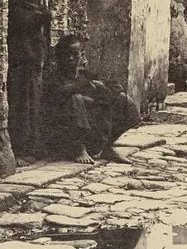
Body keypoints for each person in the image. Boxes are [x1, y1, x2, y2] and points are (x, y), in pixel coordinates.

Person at [41, 34, 141, 164]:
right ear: (58, 56)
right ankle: (78, 149)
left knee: (122, 99)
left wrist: (97, 94)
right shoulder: (53, 77)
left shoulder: (86, 75)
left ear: (82, 55)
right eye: (66, 55)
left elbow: (116, 86)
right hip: (63, 133)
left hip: (92, 127)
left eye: (75, 54)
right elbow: (58, 93)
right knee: (75, 99)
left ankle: (107, 146)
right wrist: (84, 89)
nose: (70, 58)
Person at [7, 0, 49, 165]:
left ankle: (28, 145)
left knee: (30, 98)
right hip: (21, 48)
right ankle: (19, 148)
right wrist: (41, 14)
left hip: (31, 49)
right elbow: (18, 15)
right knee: (21, 99)